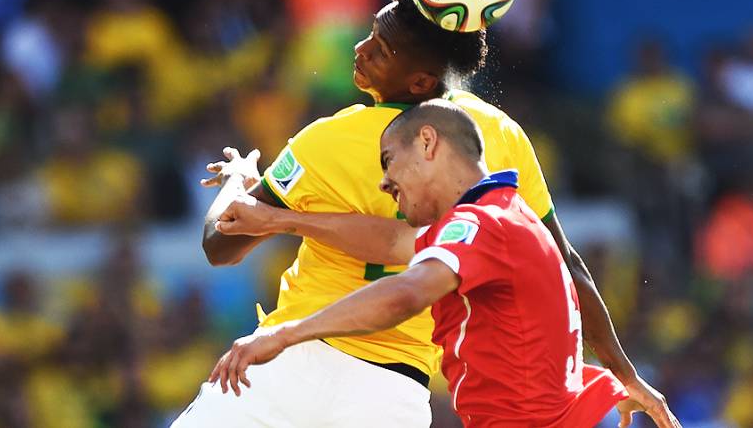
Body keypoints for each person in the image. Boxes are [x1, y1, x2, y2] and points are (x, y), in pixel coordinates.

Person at [174, 0, 671, 426]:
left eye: (381, 48)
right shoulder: (495, 137)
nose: (361, 50)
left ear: (427, 136)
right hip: (394, 397)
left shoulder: (325, 141)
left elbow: (222, 246)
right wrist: (623, 371)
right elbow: (408, 244)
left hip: (291, 365)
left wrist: (242, 187)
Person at [206, 101, 681, 427]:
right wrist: (274, 215)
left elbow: (407, 292)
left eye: (389, 161)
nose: (385, 183)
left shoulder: (484, 226)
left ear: (428, 144)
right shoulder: (499, 217)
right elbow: (393, 242)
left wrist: (285, 333)